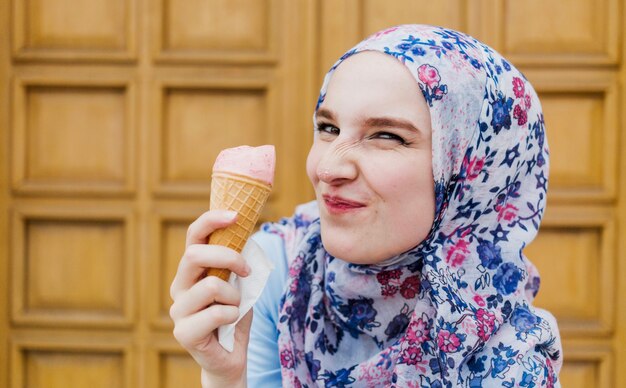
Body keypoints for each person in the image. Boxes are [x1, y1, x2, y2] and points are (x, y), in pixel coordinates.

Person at [169, 24, 563, 387]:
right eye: (328, 128)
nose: (327, 168)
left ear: (473, 173)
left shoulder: (511, 361)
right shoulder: (282, 268)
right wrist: (223, 375)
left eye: (386, 136)